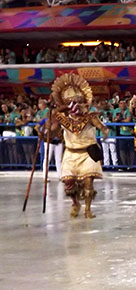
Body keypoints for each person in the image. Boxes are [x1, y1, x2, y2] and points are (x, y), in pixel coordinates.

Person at [47, 74, 108, 219]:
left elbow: (101, 126)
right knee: (68, 182)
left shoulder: (90, 117)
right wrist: (46, 132)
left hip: (88, 152)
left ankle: (88, 209)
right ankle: (75, 203)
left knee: (88, 182)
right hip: (70, 153)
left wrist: (105, 131)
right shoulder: (62, 118)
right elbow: (52, 131)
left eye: (79, 102)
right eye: (72, 103)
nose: (76, 105)